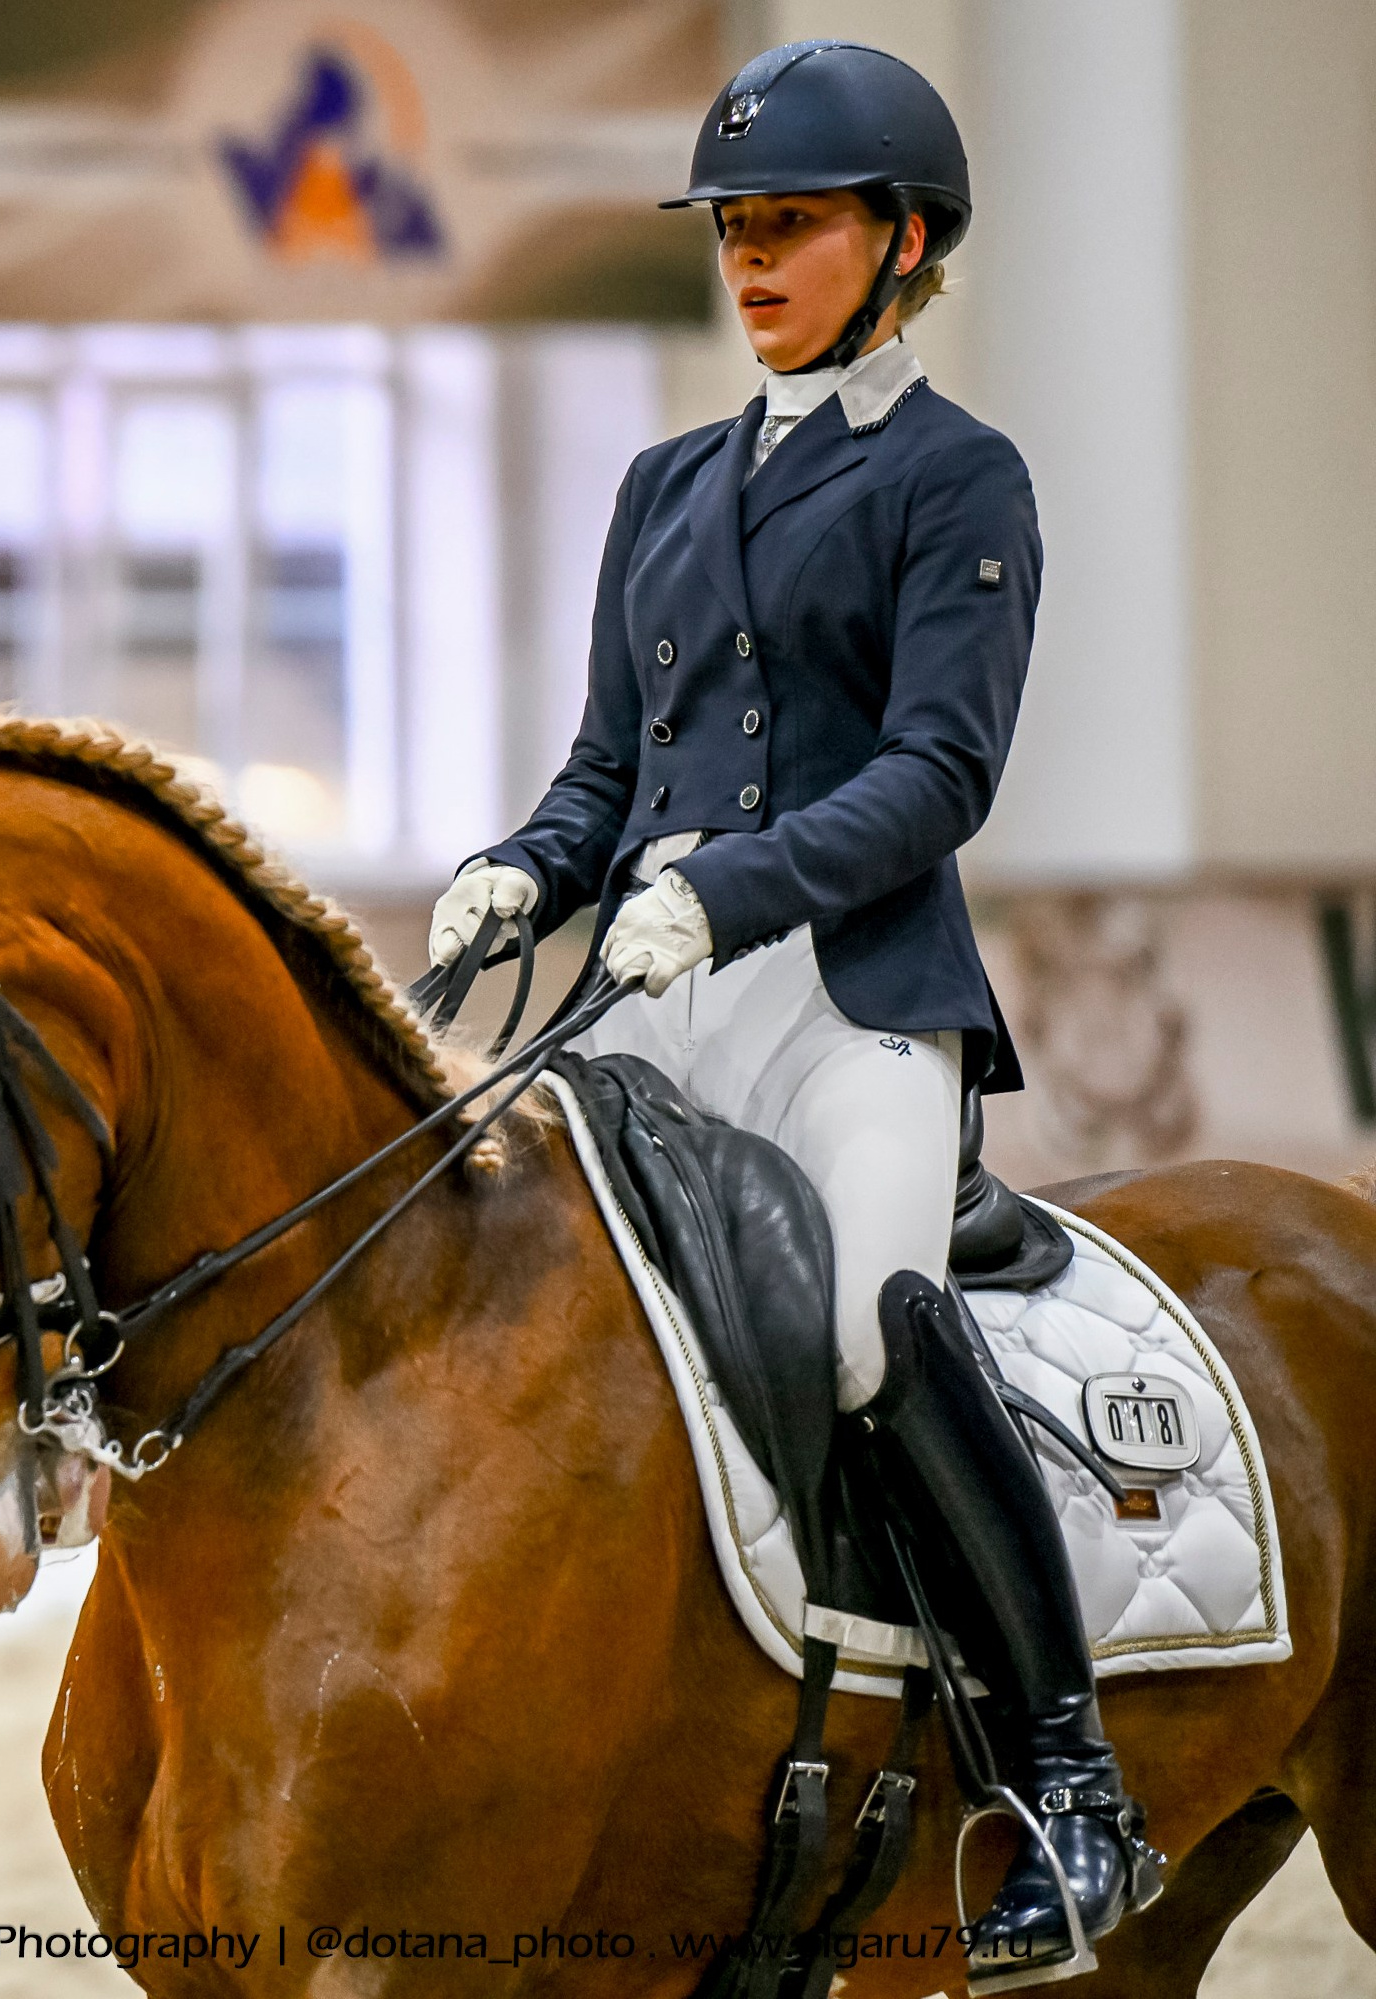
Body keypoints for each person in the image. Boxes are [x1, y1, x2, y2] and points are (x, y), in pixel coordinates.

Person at [427, 39, 1162, 1991]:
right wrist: (524, 863)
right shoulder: (664, 483)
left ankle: (1073, 1789)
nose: (749, 262)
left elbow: (938, 772)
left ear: (901, 241)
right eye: (734, 230)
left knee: (862, 1330)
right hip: (643, 995)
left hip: (845, 1004)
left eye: (791, 227)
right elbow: (606, 770)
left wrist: (730, 891)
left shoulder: (955, 476)